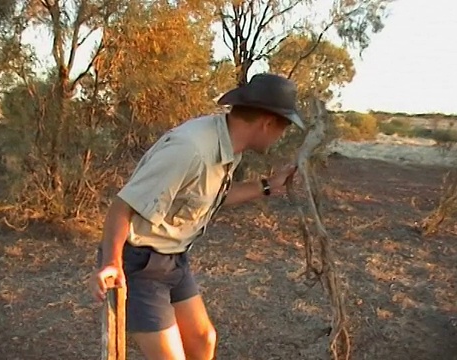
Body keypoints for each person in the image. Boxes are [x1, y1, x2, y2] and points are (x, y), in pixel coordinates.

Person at [90, 73, 305, 360]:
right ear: (268, 123)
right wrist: (111, 262)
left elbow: (212, 195)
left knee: (203, 340)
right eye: (284, 127)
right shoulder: (189, 149)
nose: (281, 136)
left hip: (173, 258)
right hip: (139, 262)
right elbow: (122, 206)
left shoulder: (228, 145)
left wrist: (268, 186)